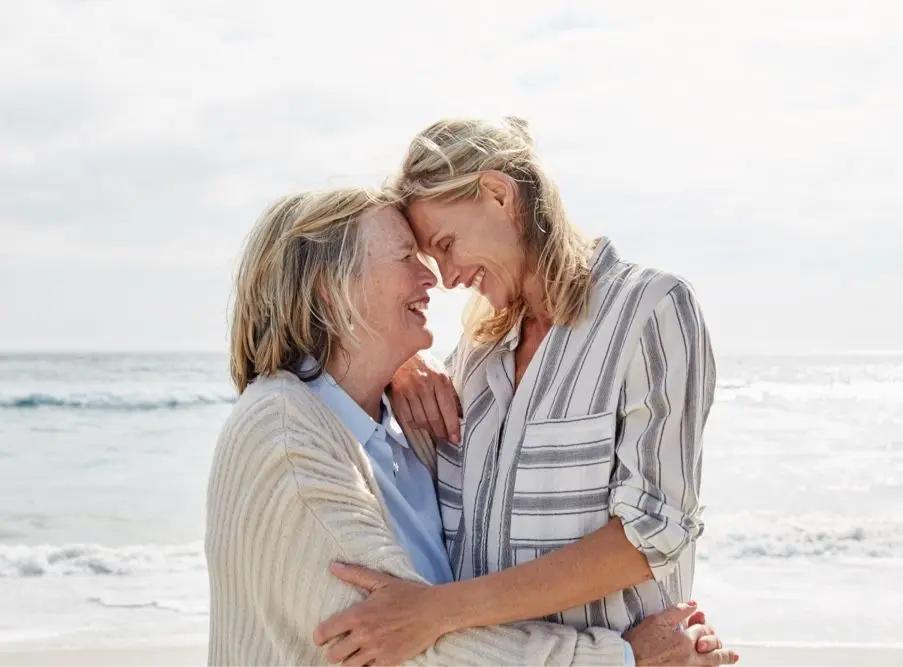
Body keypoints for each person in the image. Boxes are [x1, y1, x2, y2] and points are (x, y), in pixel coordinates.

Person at [206, 187, 733, 665]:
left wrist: (395, 369)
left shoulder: (404, 432)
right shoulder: (281, 432)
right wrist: (623, 659)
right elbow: (394, 644)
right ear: (331, 287)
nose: (433, 276)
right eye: (406, 256)